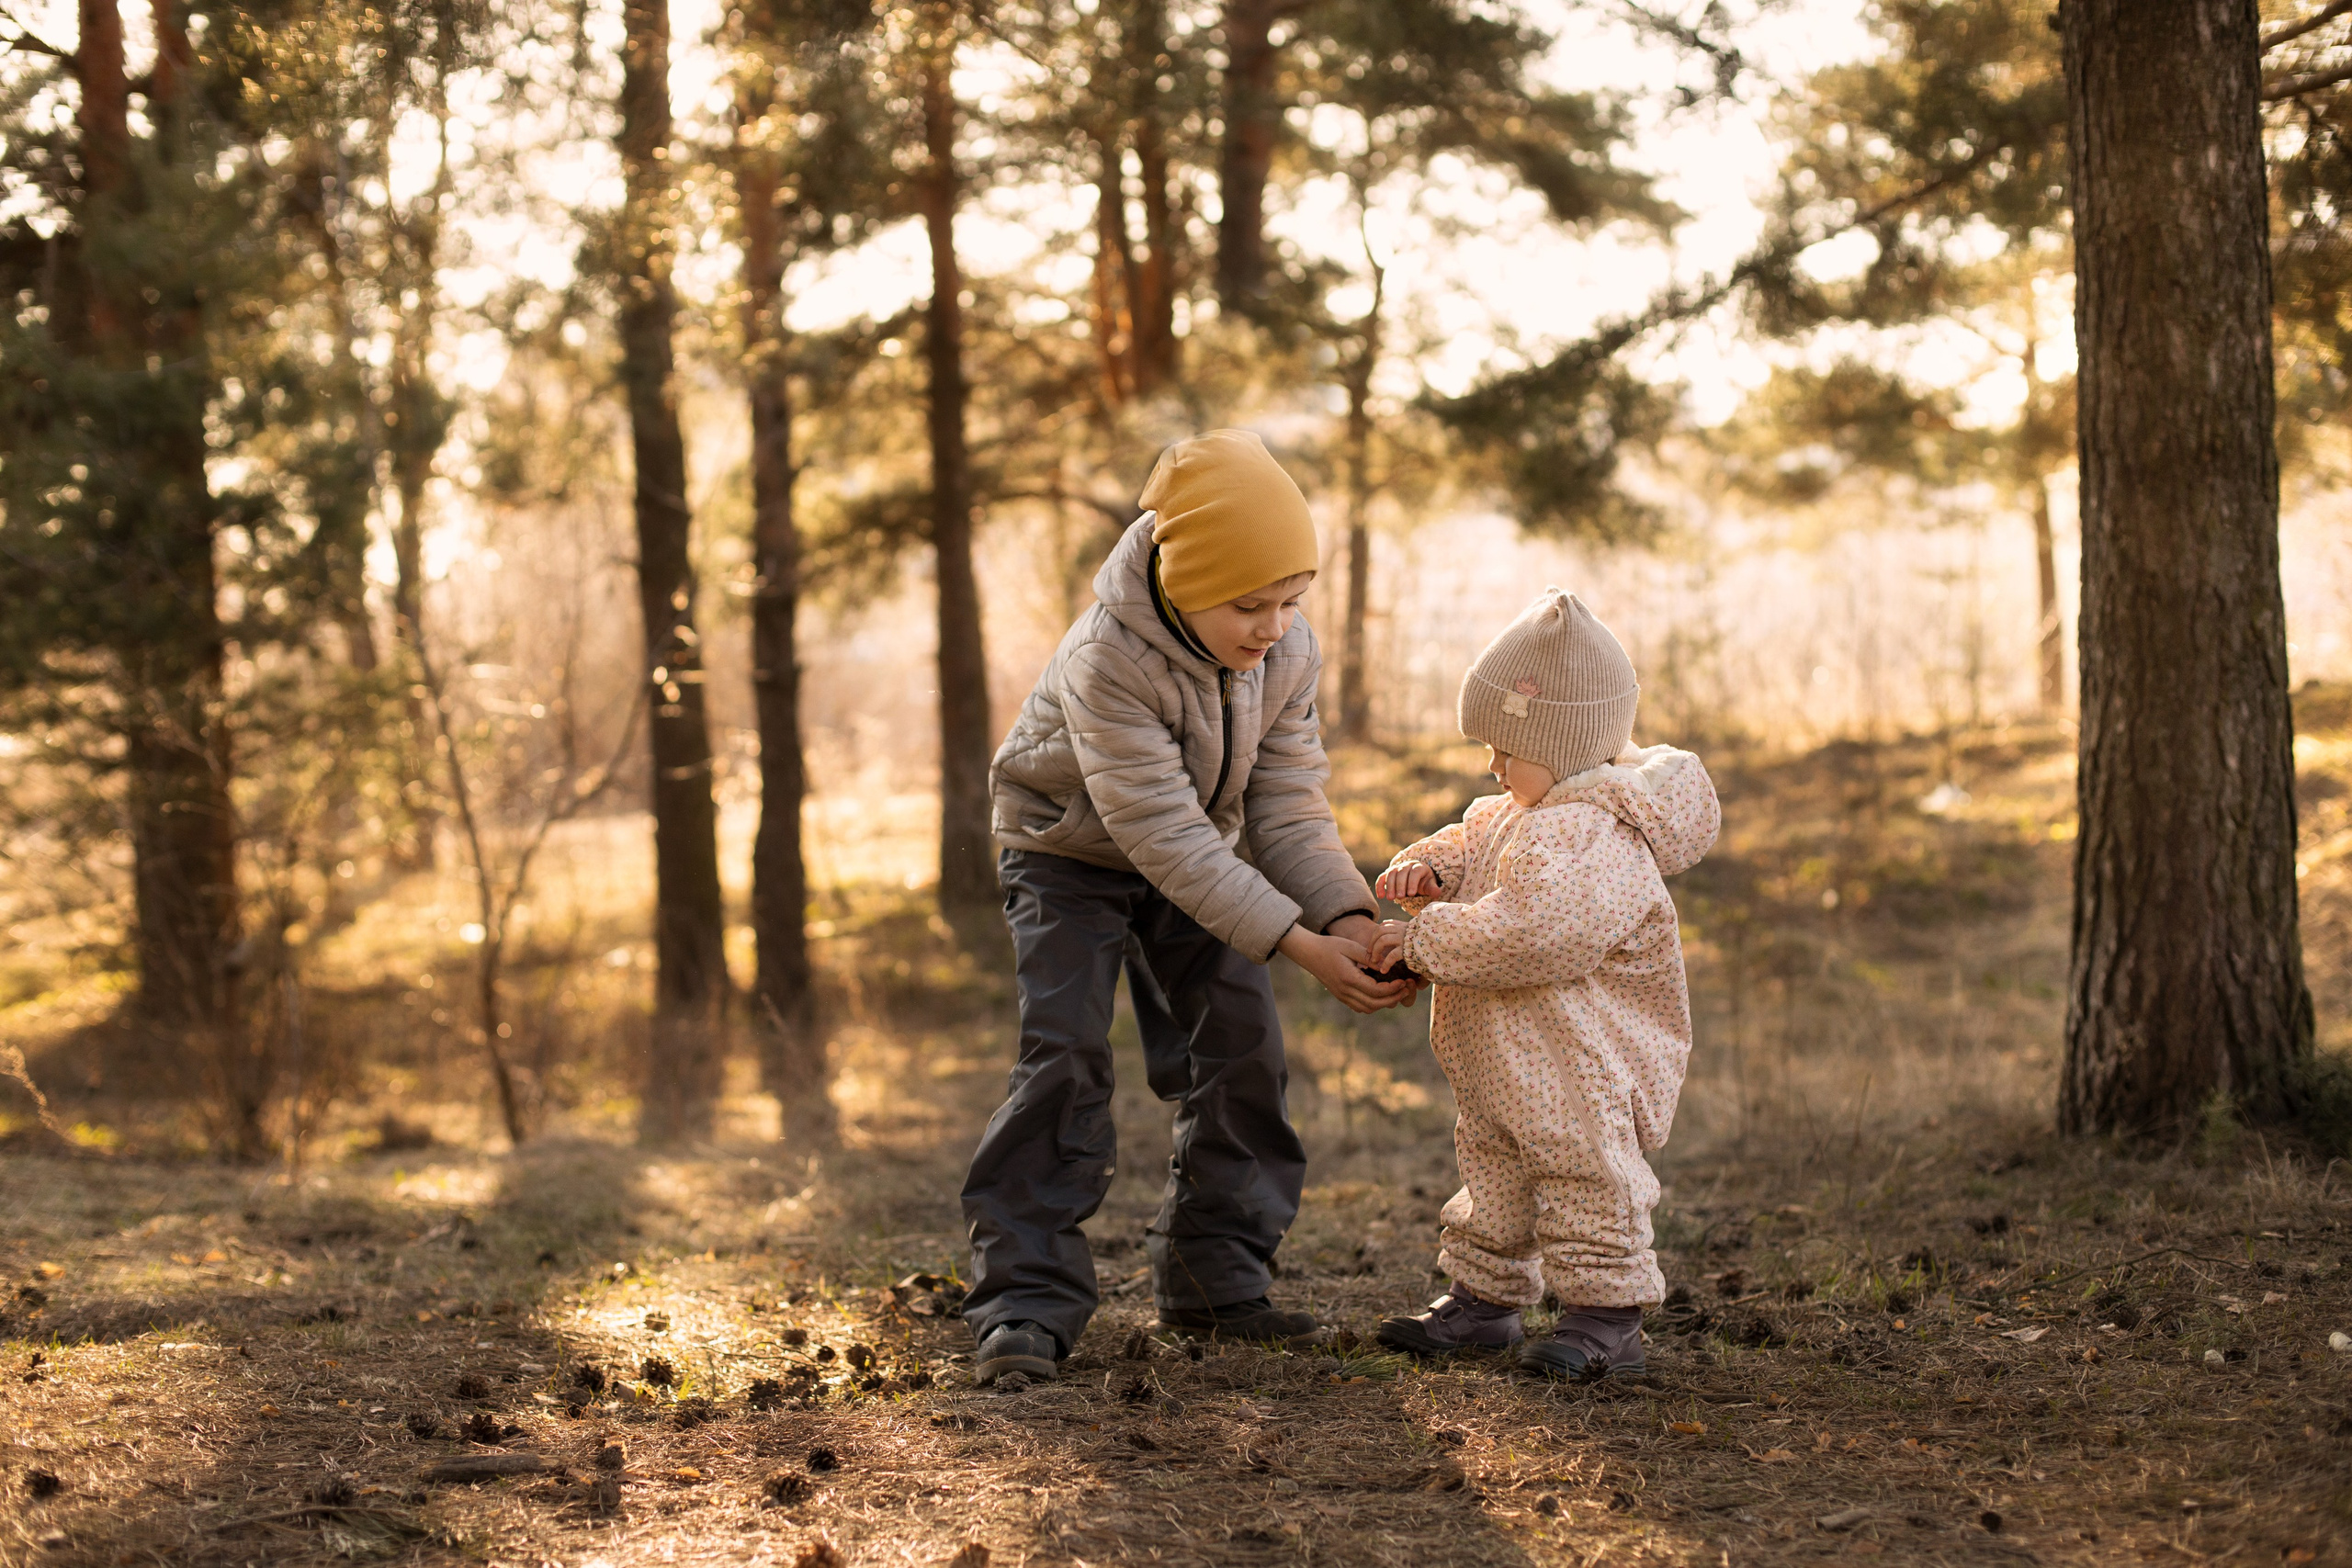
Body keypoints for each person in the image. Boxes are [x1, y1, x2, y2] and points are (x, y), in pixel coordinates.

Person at [963, 428, 1416, 1386]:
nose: (1272, 626)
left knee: (1242, 1045)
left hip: (1201, 857)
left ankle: (1215, 1281)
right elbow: (1158, 832)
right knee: (1067, 1052)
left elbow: (1286, 803)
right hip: (1067, 859)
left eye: (1291, 601)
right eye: (1248, 604)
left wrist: (1343, 917)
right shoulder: (1106, 660)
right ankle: (1025, 1302)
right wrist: (1292, 942)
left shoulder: (1284, 651)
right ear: (1176, 578)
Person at [1365, 588, 1718, 1379]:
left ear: (1568, 741)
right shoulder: (1515, 810)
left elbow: (1537, 932)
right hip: (1502, 1059)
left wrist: (1422, 940)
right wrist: (1432, 866)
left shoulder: (1595, 833)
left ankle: (1606, 1318)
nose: (1492, 765)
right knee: (1494, 1172)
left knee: (1586, 1175)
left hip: (1578, 1059)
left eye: (1505, 748)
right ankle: (1485, 1301)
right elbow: (1469, 839)